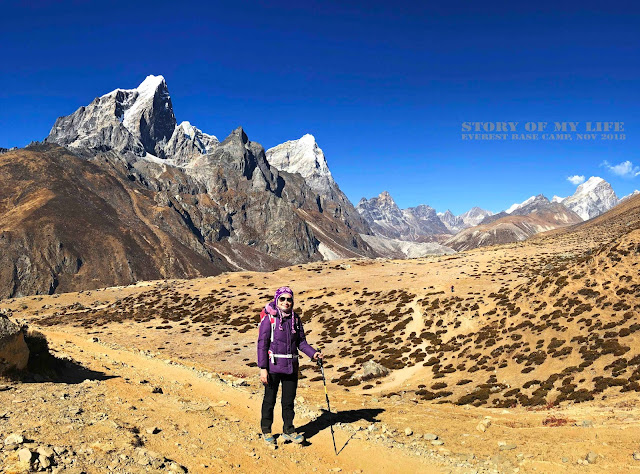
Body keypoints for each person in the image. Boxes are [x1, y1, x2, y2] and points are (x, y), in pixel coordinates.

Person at [257, 286, 323, 447]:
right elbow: (262, 344)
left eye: (289, 299)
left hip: (291, 367)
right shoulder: (269, 319)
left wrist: (313, 354)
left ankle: (289, 429)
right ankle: (266, 430)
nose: (286, 302)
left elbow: (301, 342)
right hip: (273, 367)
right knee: (269, 400)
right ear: (276, 300)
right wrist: (263, 368)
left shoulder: (295, 320)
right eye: (282, 299)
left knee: (288, 401)